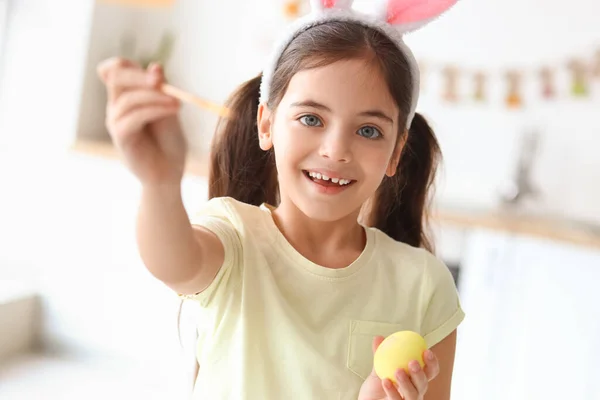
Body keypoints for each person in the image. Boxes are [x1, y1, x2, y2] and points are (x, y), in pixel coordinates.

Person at [97, 0, 464, 399]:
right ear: (267, 123)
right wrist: (159, 183)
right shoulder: (234, 237)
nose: (336, 150)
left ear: (396, 151)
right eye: (312, 119)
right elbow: (172, 261)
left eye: (369, 131)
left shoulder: (425, 285)